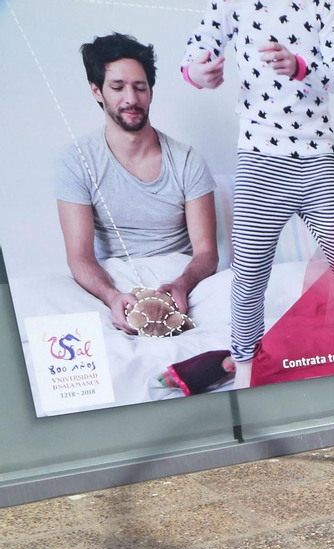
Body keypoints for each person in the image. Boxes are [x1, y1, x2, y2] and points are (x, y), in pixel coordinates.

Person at [183, 0, 334, 371]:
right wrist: (198, 73)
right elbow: (196, 53)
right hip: (259, 160)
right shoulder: (231, 4)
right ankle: (245, 358)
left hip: (317, 157)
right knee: (250, 269)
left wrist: (299, 66)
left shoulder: (323, 7)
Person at [55, 33, 219, 337]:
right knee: (40, 297)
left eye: (139, 87)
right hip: (113, 282)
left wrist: (181, 285)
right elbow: (79, 256)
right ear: (97, 91)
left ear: (151, 92)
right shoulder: (76, 161)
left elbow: (206, 253)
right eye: (117, 87)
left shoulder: (187, 160)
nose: (131, 98)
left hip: (181, 281)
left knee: (250, 295)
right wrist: (113, 296)